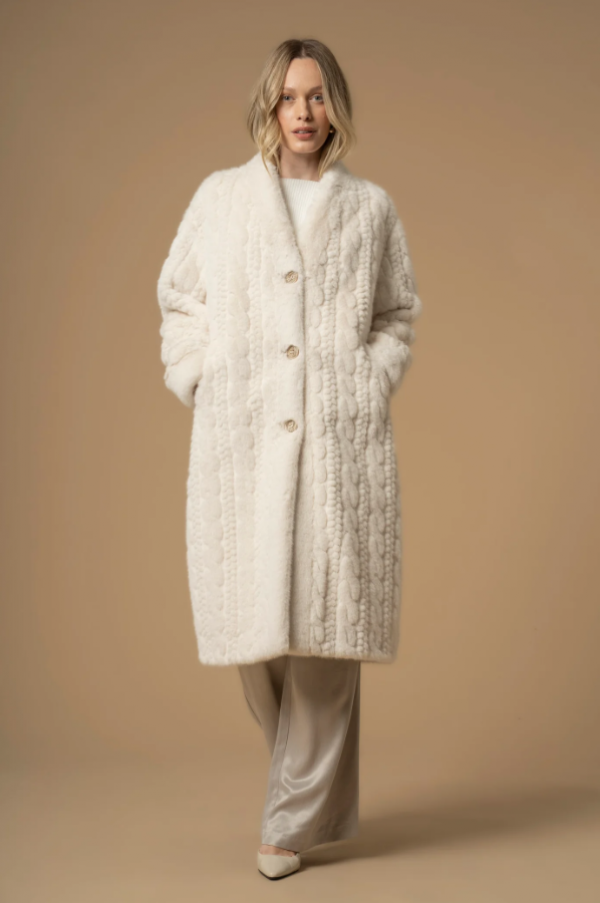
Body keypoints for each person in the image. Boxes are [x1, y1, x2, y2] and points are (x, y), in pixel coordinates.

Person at [156, 37, 423, 880]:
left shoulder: (370, 208)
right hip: (243, 439)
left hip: (337, 441)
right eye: (288, 97)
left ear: (334, 104)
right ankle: (309, 795)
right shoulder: (221, 198)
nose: (303, 112)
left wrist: (366, 380)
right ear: (268, 107)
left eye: (316, 95)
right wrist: (202, 376)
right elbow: (179, 298)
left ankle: (286, 822)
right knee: (256, 636)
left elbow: (397, 312)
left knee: (324, 630)